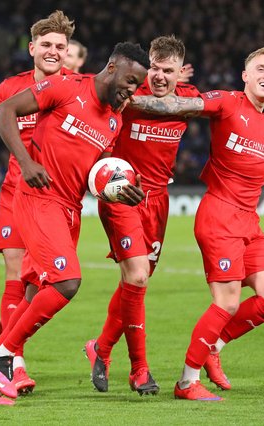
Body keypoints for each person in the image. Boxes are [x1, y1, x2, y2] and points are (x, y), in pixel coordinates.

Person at [130, 47, 264, 401]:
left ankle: (213, 346)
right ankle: (187, 382)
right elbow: (180, 105)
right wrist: (129, 100)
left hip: (249, 222)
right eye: (260, 68)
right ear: (245, 75)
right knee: (226, 302)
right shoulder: (227, 102)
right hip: (219, 216)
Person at [0, 42, 150, 406]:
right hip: (39, 198)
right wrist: (25, 162)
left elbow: (97, 174)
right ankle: (0, 359)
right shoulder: (67, 87)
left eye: (137, 86)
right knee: (67, 281)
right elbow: (4, 110)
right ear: (112, 68)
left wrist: (119, 189)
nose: (132, 90)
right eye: (130, 81)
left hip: (70, 210)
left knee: (37, 292)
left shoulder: (114, 119)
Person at [0, 10, 76, 394]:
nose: (53, 51)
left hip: (57, 199)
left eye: (60, 46)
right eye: (46, 44)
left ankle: (5, 348)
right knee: (14, 271)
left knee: (40, 284)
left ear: (68, 51)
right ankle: (13, 363)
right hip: (15, 193)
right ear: (32, 48)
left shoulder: (75, 89)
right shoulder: (12, 87)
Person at [83, 35, 200, 396]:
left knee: (135, 281)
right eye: (156, 68)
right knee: (137, 276)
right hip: (122, 194)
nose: (160, 76)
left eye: (169, 71)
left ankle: (100, 348)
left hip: (159, 200)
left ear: (180, 71)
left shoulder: (190, 99)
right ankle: (139, 370)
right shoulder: (127, 92)